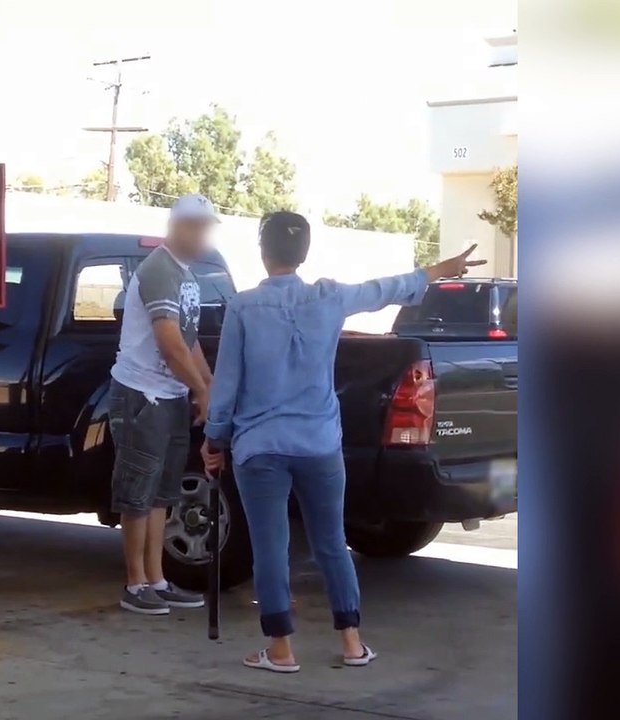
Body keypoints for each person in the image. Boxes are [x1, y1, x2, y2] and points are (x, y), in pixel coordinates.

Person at [201, 211, 484, 672]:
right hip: (320, 445)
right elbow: (383, 289)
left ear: (263, 250)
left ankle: (280, 650)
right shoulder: (329, 298)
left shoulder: (244, 308)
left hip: (260, 447)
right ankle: (352, 643)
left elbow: (227, 385)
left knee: (270, 546)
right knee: (331, 541)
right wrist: (440, 269)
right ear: (304, 253)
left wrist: (215, 440)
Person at [109, 194, 220, 615]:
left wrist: (207, 385)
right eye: (198, 227)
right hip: (142, 395)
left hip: (168, 397)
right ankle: (135, 584)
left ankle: (156, 578)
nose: (204, 235)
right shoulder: (158, 270)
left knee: (161, 494)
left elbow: (189, 341)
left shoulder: (186, 276)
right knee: (138, 492)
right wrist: (200, 389)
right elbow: (170, 344)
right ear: (179, 229)